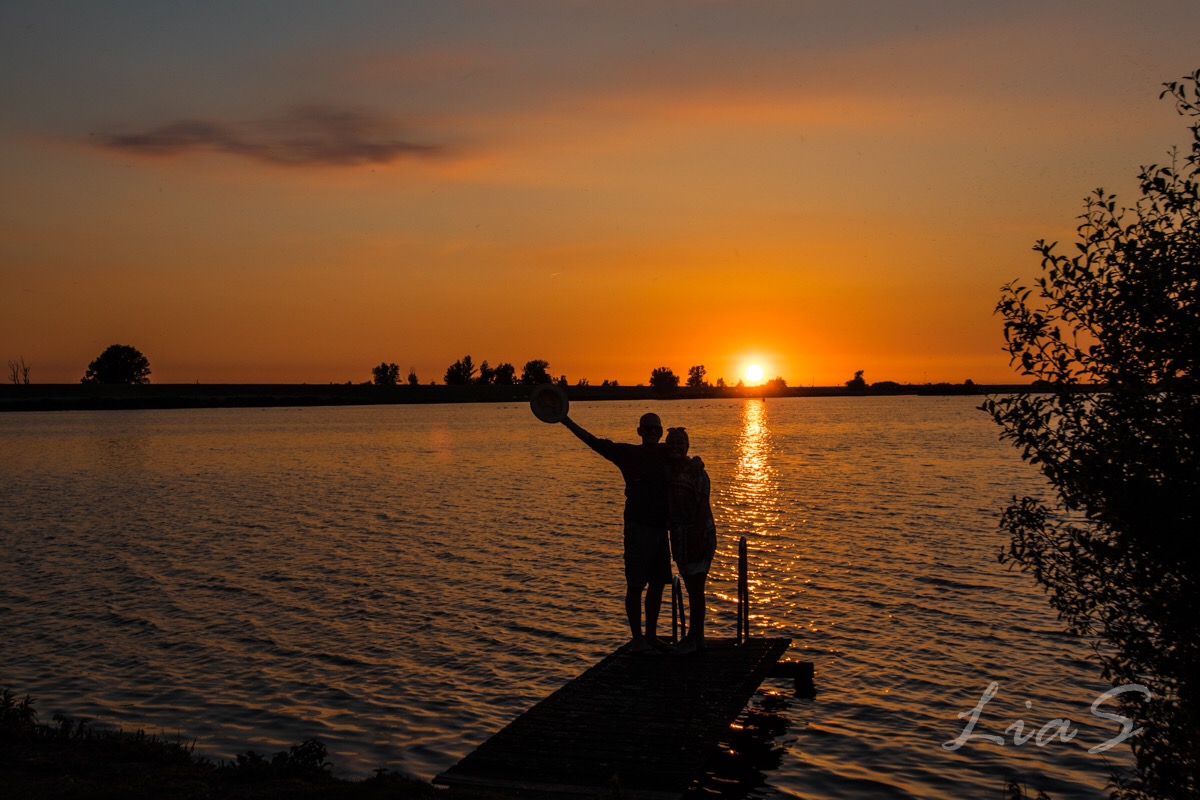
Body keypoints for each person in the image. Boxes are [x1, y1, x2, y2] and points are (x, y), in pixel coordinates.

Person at [560, 411, 672, 654]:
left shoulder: (667, 453)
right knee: (635, 584)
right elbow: (594, 442)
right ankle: (638, 639)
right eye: (648, 428)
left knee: (658, 585)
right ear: (639, 432)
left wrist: (697, 462)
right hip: (638, 529)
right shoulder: (628, 454)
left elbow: (685, 453)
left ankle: (651, 635)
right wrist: (566, 420)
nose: (653, 432)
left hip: (661, 530)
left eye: (657, 429)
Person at [664, 427, 717, 655]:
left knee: (696, 589)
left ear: (687, 446)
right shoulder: (669, 469)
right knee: (691, 587)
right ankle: (698, 638)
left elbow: (703, 507)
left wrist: (696, 536)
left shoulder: (697, 472)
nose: (676, 447)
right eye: (672, 443)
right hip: (679, 535)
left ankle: (694, 639)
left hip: (698, 533)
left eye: (680, 443)